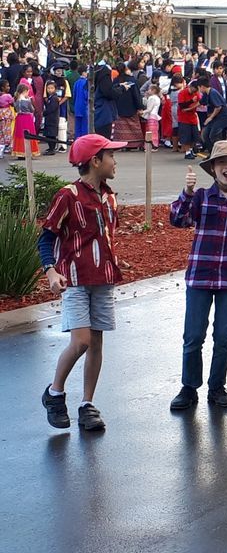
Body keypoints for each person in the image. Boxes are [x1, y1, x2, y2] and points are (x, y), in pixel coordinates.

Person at [38, 134, 127, 430]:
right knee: (81, 341)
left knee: (97, 341)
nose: (116, 161)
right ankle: (55, 393)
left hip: (103, 280)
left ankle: (87, 404)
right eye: (111, 156)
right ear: (95, 161)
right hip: (75, 281)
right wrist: (51, 271)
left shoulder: (109, 197)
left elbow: (105, 236)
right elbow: (47, 236)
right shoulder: (68, 196)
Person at [169, 140, 227, 410]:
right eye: (222, 163)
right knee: (193, 335)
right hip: (200, 274)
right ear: (213, 169)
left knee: (224, 336)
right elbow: (178, 220)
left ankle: (216, 387)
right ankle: (188, 387)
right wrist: (186, 192)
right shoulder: (200, 197)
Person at [12, 82, 39, 159]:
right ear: (24, 91)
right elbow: (32, 110)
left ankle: (20, 152)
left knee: (19, 134)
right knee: (29, 134)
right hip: (27, 118)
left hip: (19, 118)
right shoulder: (27, 101)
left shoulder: (16, 100)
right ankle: (29, 152)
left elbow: (15, 109)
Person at [41, 80, 61, 155]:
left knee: (52, 134)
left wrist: (45, 113)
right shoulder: (50, 97)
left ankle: (52, 149)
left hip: (52, 119)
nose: (50, 90)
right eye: (48, 88)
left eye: (51, 88)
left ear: (55, 89)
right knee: (48, 134)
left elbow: (52, 108)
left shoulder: (54, 98)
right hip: (49, 118)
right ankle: (50, 148)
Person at [73, 67, 89, 139]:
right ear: (83, 72)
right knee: (84, 127)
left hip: (77, 106)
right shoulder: (86, 82)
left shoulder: (76, 83)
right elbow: (87, 95)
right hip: (84, 107)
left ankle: (77, 140)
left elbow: (74, 94)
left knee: (77, 127)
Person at [0, 82, 14, 158]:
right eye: (7, 86)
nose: (9, 87)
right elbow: (12, 103)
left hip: (1, 113)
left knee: (1, 131)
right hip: (7, 114)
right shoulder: (7, 96)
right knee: (7, 130)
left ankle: (1, 147)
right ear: (2, 87)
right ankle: (7, 146)